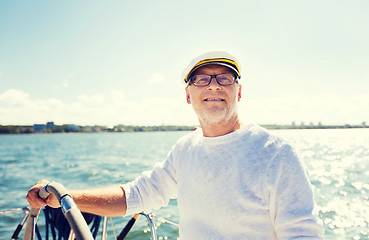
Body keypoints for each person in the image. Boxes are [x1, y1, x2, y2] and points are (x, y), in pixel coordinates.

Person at [27, 50, 324, 239]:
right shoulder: (185, 149)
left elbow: (302, 235)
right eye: (201, 80)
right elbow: (137, 195)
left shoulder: (276, 153)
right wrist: (66, 197)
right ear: (188, 95)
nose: (214, 86)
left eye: (224, 77)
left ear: (239, 91)